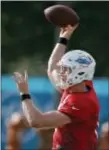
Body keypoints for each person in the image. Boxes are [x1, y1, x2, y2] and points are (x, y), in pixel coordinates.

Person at [7, 24, 100, 150]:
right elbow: (52, 68)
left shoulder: (80, 103)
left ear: (80, 72)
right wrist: (64, 38)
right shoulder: (79, 86)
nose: (61, 72)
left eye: (65, 69)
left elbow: (37, 121)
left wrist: (24, 93)